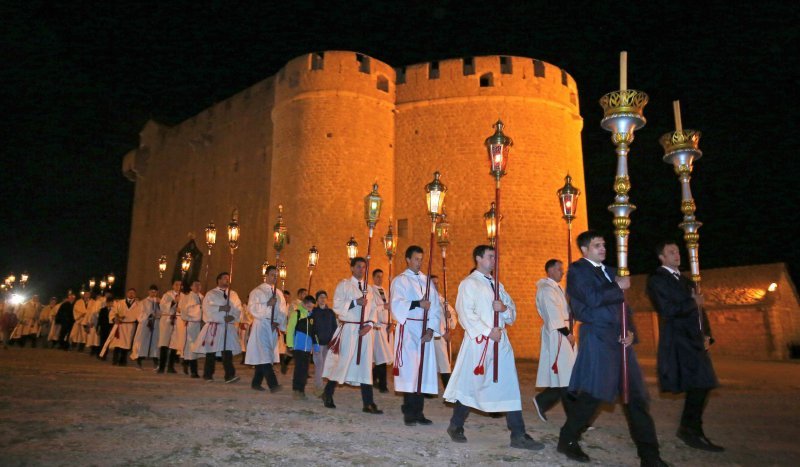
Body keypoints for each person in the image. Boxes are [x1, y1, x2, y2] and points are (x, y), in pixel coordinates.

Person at [557, 231, 666, 466]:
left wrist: (631, 331)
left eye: (604, 245)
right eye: (597, 245)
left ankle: (650, 456)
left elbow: (624, 307)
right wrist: (617, 286)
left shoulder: (612, 271)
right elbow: (590, 299)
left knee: (635, 397)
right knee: (594, 395)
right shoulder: (578, 271)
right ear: (585, 249)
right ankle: (567, 439)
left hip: (620, 340)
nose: (603, 248)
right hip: (597, 337)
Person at [443, 245, 544, 450]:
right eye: (490, 256)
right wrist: (488, 331)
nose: (494, 260)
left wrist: (504, 308)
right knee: (471, 385)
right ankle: (455, 425)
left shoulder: (498, 284)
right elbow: (465, 313)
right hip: (479, 343)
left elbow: (511, 312)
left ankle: (518, 434)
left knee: (509, 386)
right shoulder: (469, 284)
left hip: (501, 344)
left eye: (495, 257)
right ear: (478, 258)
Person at [646, 240, 723, 452]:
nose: (676, 254)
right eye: (671, 252)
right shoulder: (657, 280)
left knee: (703, 383)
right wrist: (693, 303)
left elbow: (700, 311)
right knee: (701, 382)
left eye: (677, 251)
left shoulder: (688, 281)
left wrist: (707, 334)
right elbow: (667, 309)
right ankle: (690, 430)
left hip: (695, 339)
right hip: (678, 339)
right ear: (661, 257)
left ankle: (691, 429)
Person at [321, 256, 383, 414]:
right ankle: (327, 393)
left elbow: (374, 308)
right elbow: (337, 305)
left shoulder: (369, 289)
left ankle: (368, 403)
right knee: (343, 362)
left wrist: (369, 324)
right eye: (358, 267)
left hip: (364, 332)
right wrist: (355, 302)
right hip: (349, 329)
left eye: (363, 267)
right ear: (352, 268)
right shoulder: (344, 285)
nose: (361, 270)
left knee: (365, 366)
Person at [390, 245, 441, 426]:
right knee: (410, 372)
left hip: (424, 331)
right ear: (408, 259)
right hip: (409, 330)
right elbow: (396, 305)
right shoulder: (400, 281)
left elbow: (435, 308)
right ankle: (409, 413)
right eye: (416, 259)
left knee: (423, 372)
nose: (420, 263)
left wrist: (431, 330)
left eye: (421, 259)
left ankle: (419, 412)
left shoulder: (426, 281)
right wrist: (418, 303)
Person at [533, 259, 577, 421]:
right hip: (558, 334)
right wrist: (567, 333)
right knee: (567, 376)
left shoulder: (557, 289)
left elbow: (565, 311)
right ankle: (576, 418)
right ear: (550, 270)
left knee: (567, 376)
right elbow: (553, 314)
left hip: (564, 332)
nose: (562, 272)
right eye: (559, 269)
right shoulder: (546, 290)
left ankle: (543, 401)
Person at [193, 272, 242, 383]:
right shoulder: (211, 294)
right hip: (215, 326)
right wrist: (221, 308)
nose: (227, 280)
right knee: (211, 352)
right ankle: (208, 374)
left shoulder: (233, 294)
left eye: (228, 278)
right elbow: (207, 308)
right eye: (224, 278)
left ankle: (229, 375)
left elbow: (238, 309)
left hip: (227, 327)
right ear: (218, 280)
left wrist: (233, 318)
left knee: (227, 351)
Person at [246, 266, 286, 392]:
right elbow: (252, 308)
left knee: (264, 354)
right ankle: (273, 385)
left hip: (272, 327)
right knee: (265, 354)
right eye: (272, 275)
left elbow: (282, 311)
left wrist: (278, 322)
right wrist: (267, 304)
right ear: (266, 275)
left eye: (276, 275)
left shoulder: (279, 293)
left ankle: (256, 383)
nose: (275, 277)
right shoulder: (257, 291)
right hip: (262, 324)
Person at [287, 294, 317, 400]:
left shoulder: (312, 316)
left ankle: (302, 390)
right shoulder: (297, 313)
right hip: (298, 347)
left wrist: (315, 345)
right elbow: (290, 329)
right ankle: (296, 390)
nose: (310, 309)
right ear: (304, 304)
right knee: (299, 369)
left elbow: (314, 332)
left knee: (305, 370)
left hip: (307, 348)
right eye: (309, 306)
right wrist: (290, 344)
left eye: (312, 307)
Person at [431, 274, 457, 392]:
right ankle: (448, 390)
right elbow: (432, 318)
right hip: (435, 336)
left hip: (444, 336)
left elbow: (453, 313)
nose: (436, 285)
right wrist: (442, 332)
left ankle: (439, 390)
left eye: (437, 283)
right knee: (442, 363)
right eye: (433, 283)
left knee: (443, 363)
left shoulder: (442, 299)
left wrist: (450, 316)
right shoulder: (429, 300)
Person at [102, 288, 140, 366]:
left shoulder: (138, 304)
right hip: (120, 325)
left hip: (130, 326)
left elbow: (141, 315)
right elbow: (113, 312)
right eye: (130, 293)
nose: (131, 294)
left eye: (133, 293)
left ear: (135, 294)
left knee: (126, 344)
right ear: (127, 294)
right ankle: (115, 360)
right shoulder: (119, 303)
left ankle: (123, 361)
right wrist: (114, 318)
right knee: (117, 344)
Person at [370, 269, 393, 393]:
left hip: (386, 329)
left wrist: (392, 322)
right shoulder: (371, 291)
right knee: (382, 357)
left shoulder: (385, 291)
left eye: (381, 276)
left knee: (382, 357)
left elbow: (391, 308)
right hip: (377, 328)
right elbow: (371, 308)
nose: (380, 279)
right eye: (378, 276)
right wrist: (383, 307)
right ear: (373, 277)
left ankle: (373, 379)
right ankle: (383, 385)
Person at [310, 290, 336, 395]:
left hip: (328, 342)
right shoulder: (313, 312)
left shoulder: (330, 312)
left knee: (325, 365)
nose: (323, 299)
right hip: (317, 342)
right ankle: (318, 388)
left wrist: (333, 340)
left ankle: (321, 386)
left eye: (324, 297)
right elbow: (311, 327)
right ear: (317, 299)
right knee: (319, 364)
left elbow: (334, 327)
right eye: (320, 297)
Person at [131, 285, 161, 369]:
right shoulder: (143, 302)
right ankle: (139, 361)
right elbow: (139, 315)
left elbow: (163, 312)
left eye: (155, 292)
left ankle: (156, 361)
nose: (153, 293)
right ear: (148, 292)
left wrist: (159, 311)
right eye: (152, 291)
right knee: (142, 342)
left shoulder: (159, 302)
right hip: (145, 325)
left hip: (155, 325)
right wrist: (149, 315)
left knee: (155, 343)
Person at [179, 280, 204, 378]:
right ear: (191, 287)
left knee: (197, 347)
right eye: (196, 285)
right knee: (192, 346)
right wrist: (199, 308)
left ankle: (186, 362)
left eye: (199, 285)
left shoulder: (202, 297)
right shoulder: (187, 297)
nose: (198, 287)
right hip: (192, 325)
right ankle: (194, 371)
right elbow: (186, 310)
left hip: (200, 325)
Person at [157, 280, 183, 374]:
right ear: (173, 285)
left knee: (174, 344)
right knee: (164, 343)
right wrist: (173, 302)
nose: (178, 286)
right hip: (167, 320)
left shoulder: (183, 296)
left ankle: (171, 366)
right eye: (176, 284)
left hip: (177, 321)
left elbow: (185, 308)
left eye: (180, 285)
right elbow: (162, 306)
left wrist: (180, 310)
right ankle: (162, 366)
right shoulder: (167, 295)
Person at [96, 293, 114, 360]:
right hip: (103, 328)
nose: (110, 304)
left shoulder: (114, 310)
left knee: (107, 342)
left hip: (110, 328)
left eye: (111, 302)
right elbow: (100, 320)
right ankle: (100, 354)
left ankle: (104, 355)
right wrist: (98, 327)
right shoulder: (102, 310)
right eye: (109, 302)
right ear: (106, 303)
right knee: (102, 342)